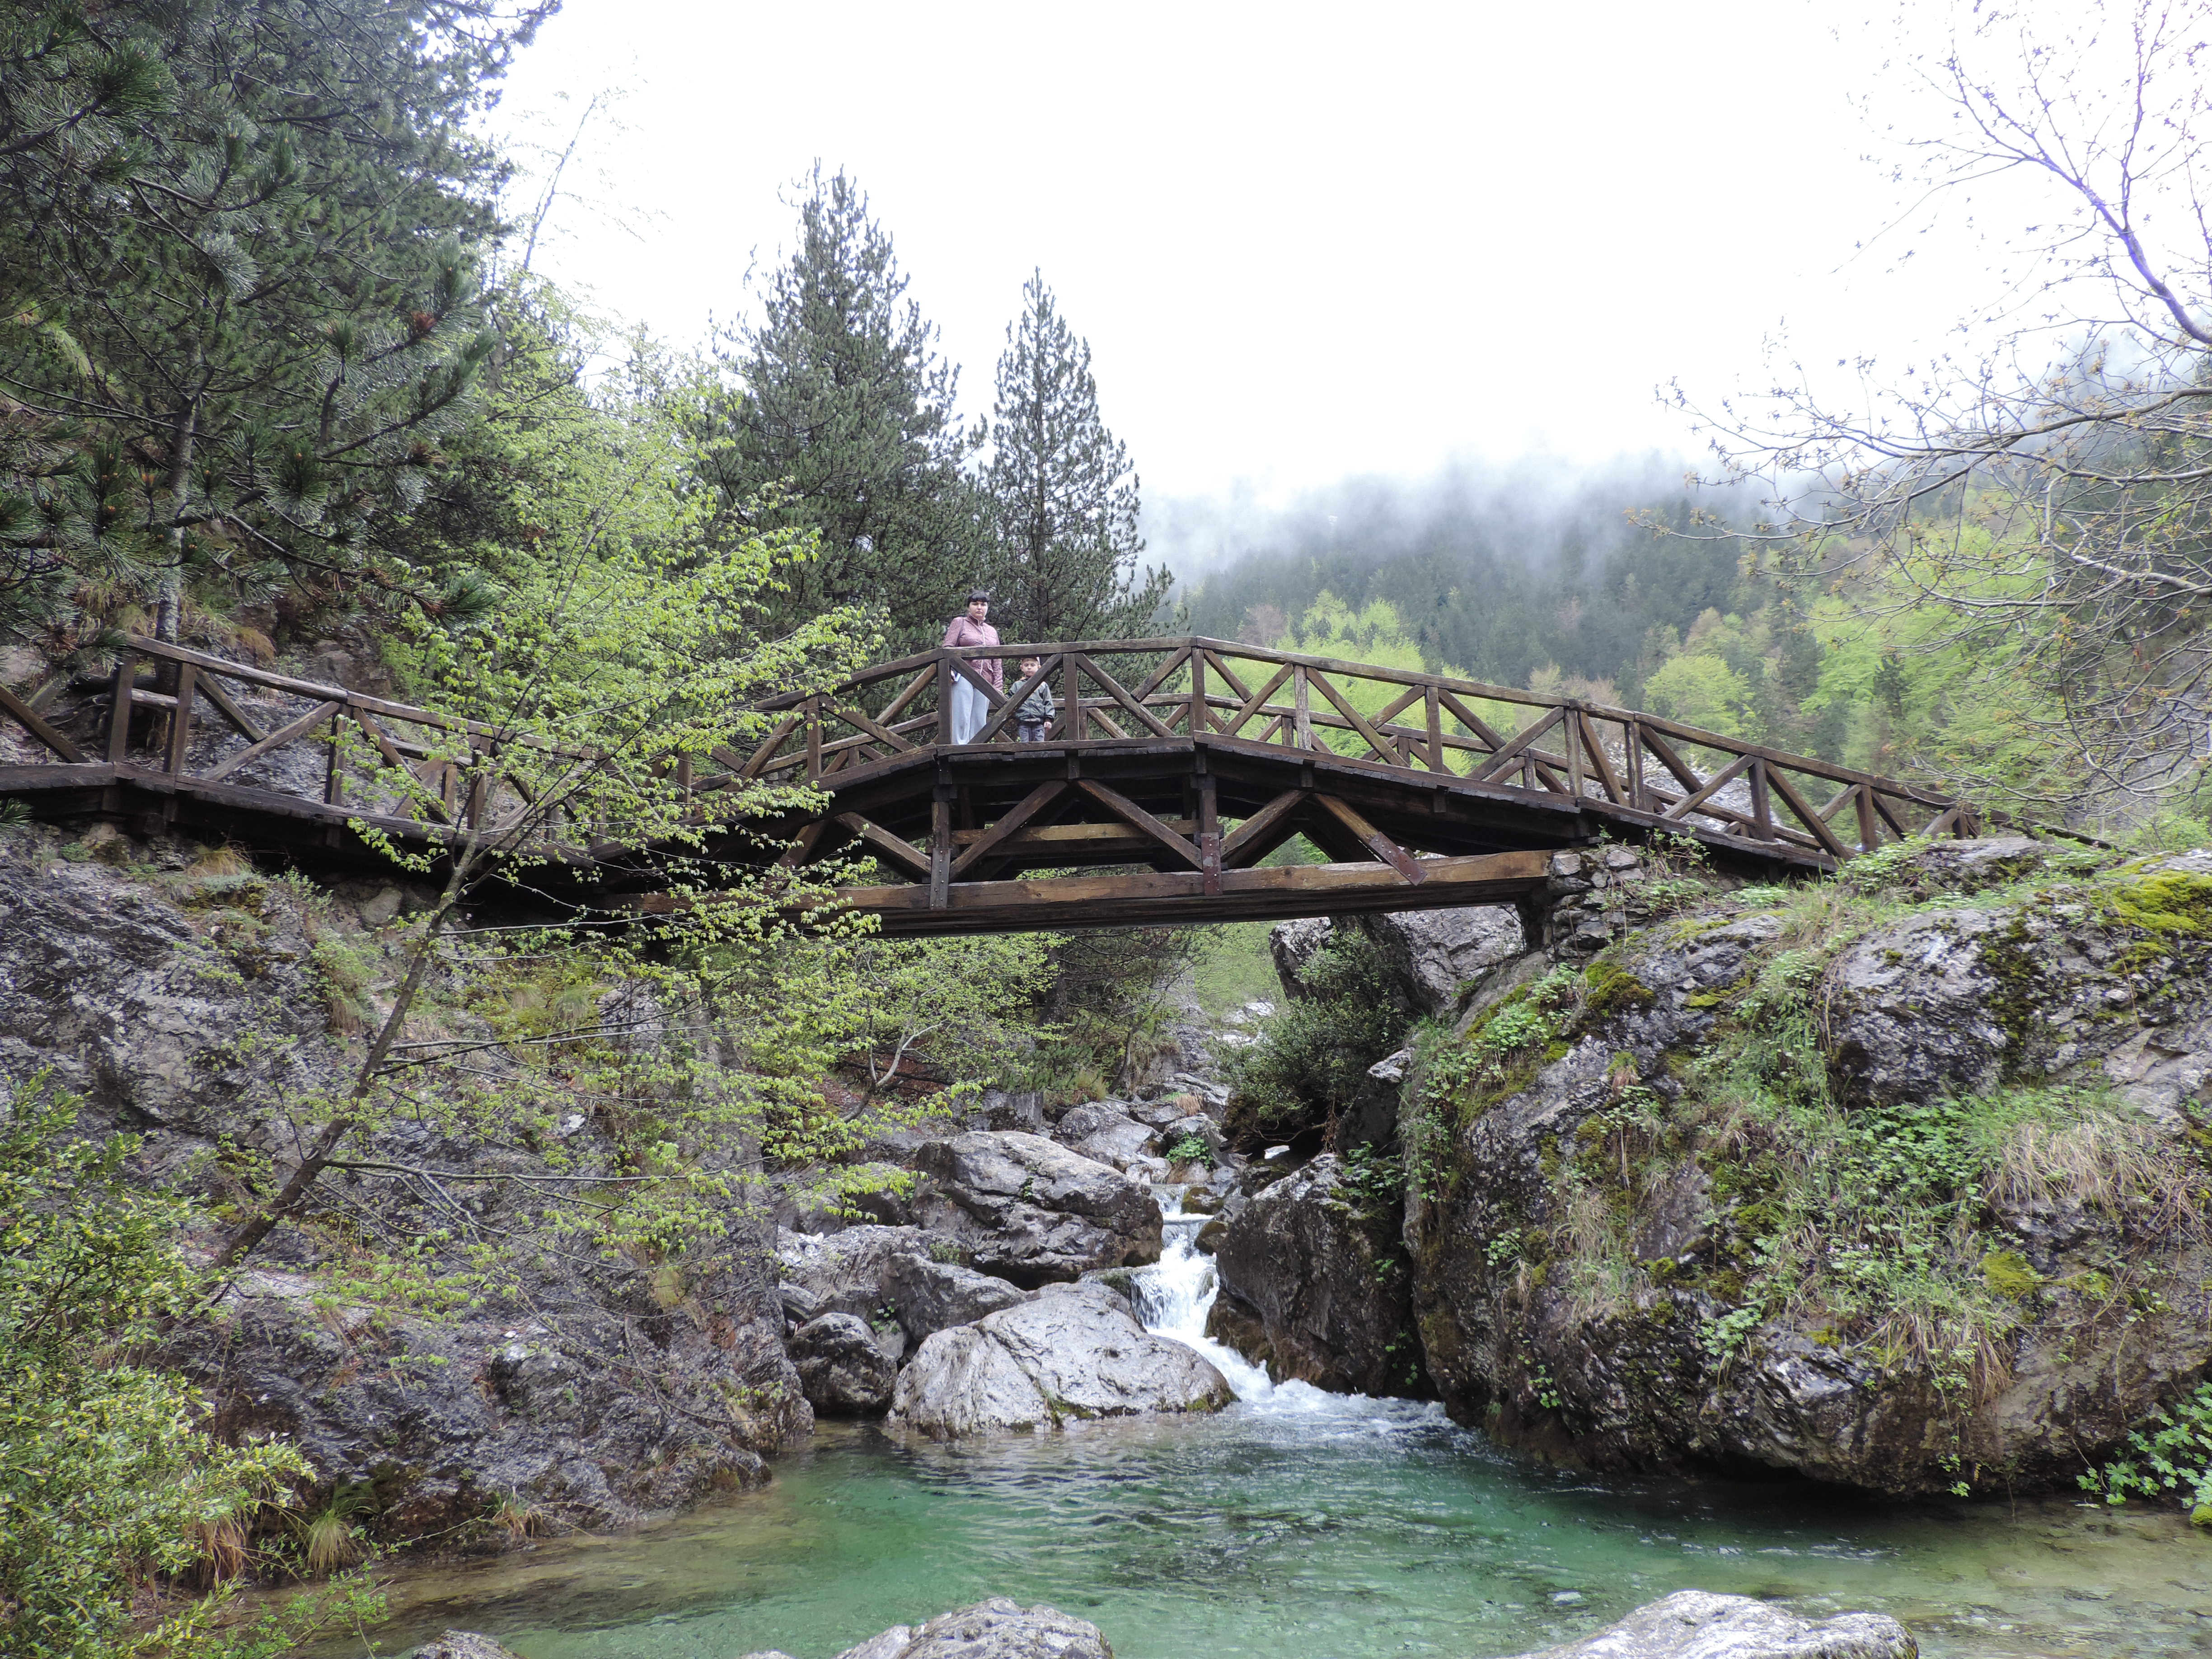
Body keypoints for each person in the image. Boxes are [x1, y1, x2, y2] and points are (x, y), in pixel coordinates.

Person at [942, 589, 1002, 744]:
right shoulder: (960, 622)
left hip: (985, 679)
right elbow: (947, 648)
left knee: (980, 718)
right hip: (963, 675)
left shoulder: (992, 631)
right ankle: (960, 749)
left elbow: (997, 660)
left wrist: (998, 686)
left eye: (983, 604)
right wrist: (949, 671)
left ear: (988, 607)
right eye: (975, 604)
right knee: (962, 714)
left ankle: (977, 749)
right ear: (969, 606)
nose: (979, 607)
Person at [1013, 656, 1055, 741]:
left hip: (1039, 722)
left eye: (1033, 665)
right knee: (1024, 744)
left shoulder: (1043, 685)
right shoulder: (1017, 685)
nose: (1029, 668)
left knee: (1039, 745)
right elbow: (1009, 701)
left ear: (1039, 667)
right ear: (1022, 668)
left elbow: (1048, 702)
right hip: (1023, 721)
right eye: (1026, 665)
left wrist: (1048, 719)